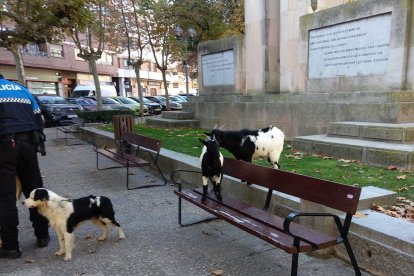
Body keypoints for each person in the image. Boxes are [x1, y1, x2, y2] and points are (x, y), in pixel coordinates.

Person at [0, 74, 49, 259]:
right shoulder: (21, 89)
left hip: (4, 146)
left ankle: (11, 246)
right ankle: (43, 235)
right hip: (28, 144)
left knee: (5, 196)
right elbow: (39, 117)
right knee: (35, 190)